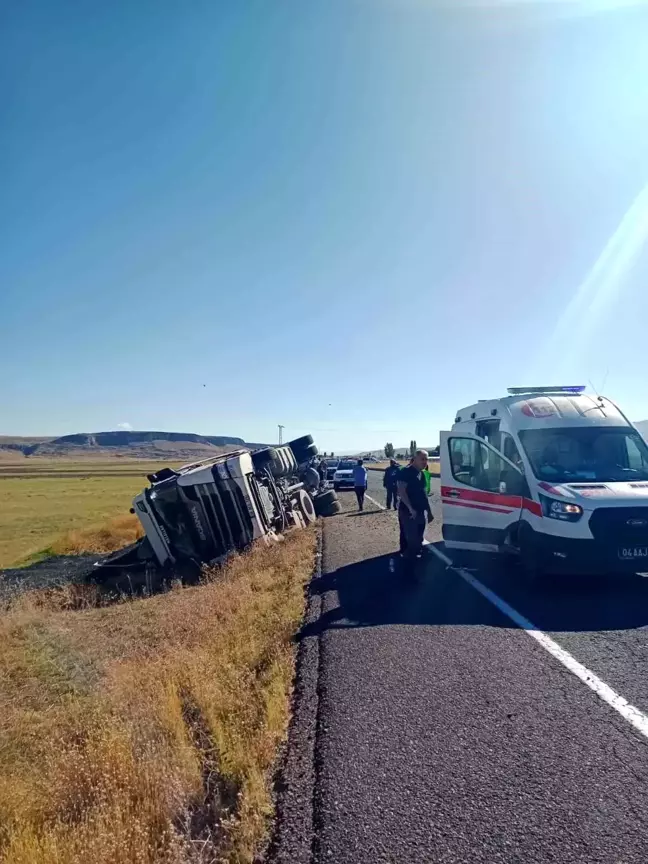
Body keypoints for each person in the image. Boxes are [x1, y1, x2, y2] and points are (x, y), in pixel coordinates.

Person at [397, 450, 433, 578]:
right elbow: (401, 491)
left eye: (426, 459)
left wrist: (429, 511)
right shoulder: (405, 472)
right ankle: (409, 571)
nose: (425, 462)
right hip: (408, 513)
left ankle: (411, 562)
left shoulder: (422, 475)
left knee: (419, 537)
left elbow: (424, 494)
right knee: (412, 540)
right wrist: (410, 508)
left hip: (420, 511)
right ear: (415, 459)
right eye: (422, 459)